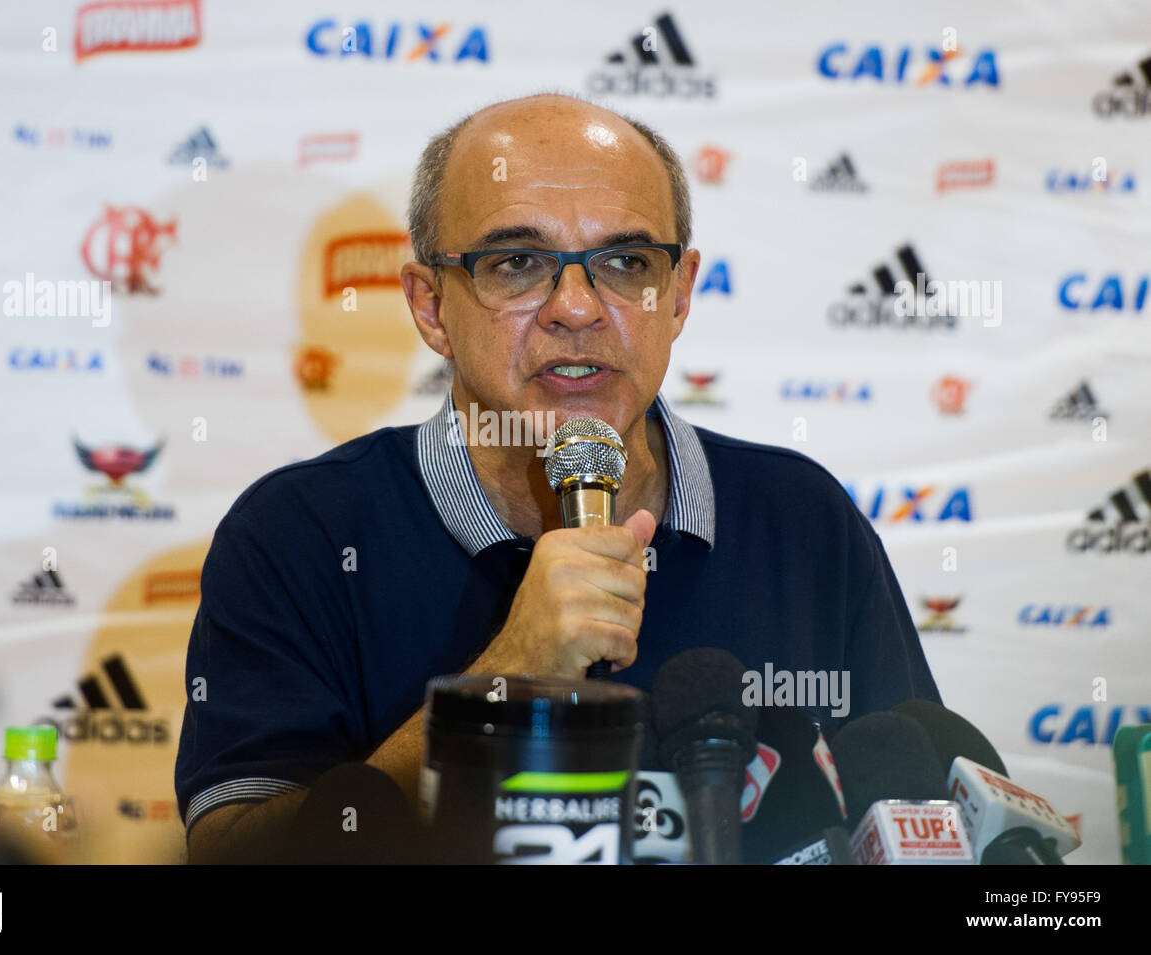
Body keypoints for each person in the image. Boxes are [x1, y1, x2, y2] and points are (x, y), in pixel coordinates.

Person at [176, 92, 940, 863]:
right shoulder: (301, 535)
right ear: (431, 303)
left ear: (677, 293)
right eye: (518, 262)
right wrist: (513, 670)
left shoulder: (802, 521)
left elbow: (919, 806)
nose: (577, 308)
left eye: (625, 263)